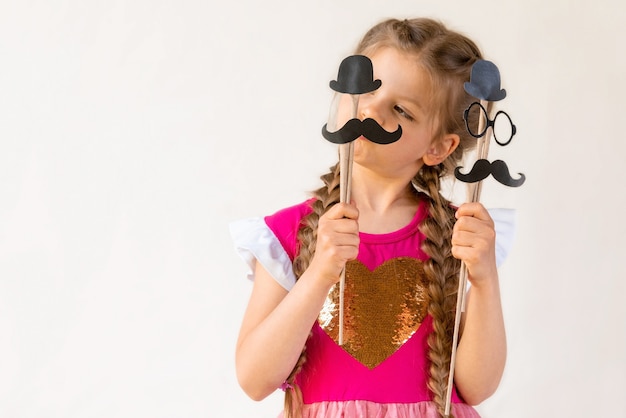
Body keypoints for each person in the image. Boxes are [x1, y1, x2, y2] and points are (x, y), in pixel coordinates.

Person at [231, 17, 510, 418]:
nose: (369, 111)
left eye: (400, 109)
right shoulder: (285, 235)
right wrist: (321, 272)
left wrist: (484, 277)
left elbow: (476, 386)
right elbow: (255, 379)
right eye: (364, 90)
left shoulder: (460, 235)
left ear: (438, 147)